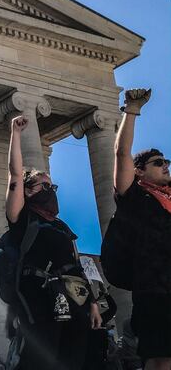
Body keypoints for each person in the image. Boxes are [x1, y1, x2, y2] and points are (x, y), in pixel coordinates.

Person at [5, 115, 101, 370]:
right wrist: (15, 134)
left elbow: (76, 266)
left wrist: (92, 303)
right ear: (27, 191)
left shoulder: (61, 227)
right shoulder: (22, 218)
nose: (49, 190)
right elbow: (15, 174)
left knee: (73, 360)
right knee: (41, 359)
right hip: (38, 297)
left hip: (73, 299)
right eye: (42, 186)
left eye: (52, 186)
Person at [113, 88, 171, 370]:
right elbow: (122, 153)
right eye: (158, 163)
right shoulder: (134, 197)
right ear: (139, 171)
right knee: (160, 360)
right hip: (154, 292)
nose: (166, 166)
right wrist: (132, 110)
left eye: (167, 162)